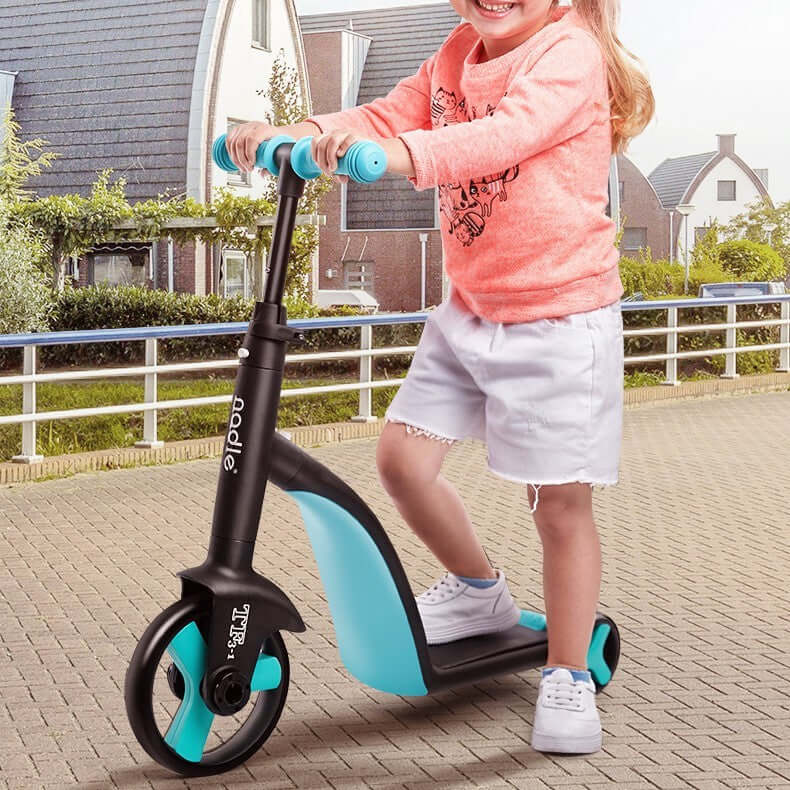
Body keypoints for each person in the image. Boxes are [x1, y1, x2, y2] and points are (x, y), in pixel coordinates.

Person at [227, 0, 654, 755]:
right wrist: (295, 135)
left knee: (557, 504)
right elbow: (386, 115)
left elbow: (497, 138)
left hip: (558, 318)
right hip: (472, 310)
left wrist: (395, 160)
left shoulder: (569, 54)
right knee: (401, 459)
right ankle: (481, 592)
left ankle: (566, 673)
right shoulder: (457, 52)